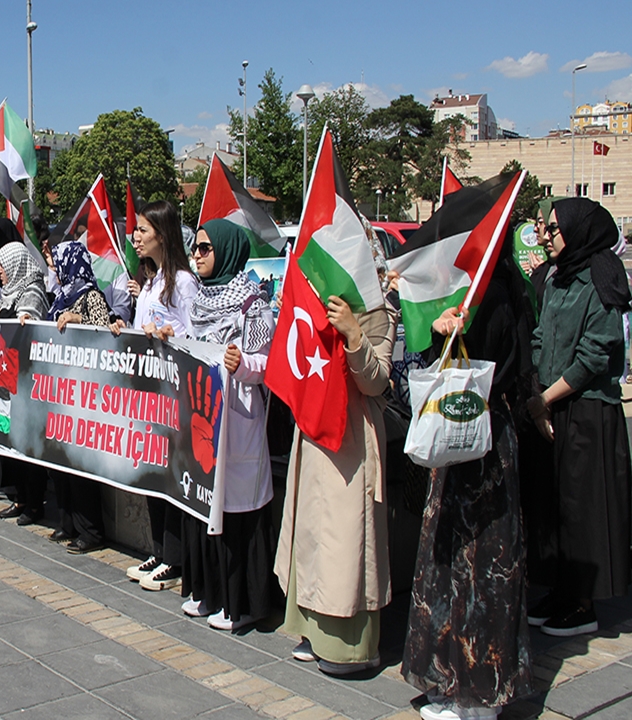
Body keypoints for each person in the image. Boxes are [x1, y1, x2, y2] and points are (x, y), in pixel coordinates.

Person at [402, 254, 534, 720]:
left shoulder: (491, 291)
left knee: (480, 570)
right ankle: (451, 682)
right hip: (469, 440)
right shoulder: (490, 285)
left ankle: (478, 695)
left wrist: (450, 333)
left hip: (481, 443)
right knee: (451, 566)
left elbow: (489, 361)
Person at [275, 267, 397, 676]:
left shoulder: (378, 307)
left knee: (345, 539)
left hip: (351, 438)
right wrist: (293, 315)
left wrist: (353, 334)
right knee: (311, 531)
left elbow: (377, 381)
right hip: (314, 429)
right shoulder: (317, 295)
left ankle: (351, 646)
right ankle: (310, 629)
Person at [527, 197, 630, 637]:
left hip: (586, 410)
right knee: (554, 505)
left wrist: (545, 399)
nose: (546, 236)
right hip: (552, 406)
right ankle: (561, 589)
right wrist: (539, 396)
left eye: (554, 228)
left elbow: (595, 353)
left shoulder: (601, 277)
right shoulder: (558, 276)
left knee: (583, 507)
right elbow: (539, 337)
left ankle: (583, 603)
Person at [178, 220, 278, 632]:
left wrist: (244, 364)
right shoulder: (198, 299)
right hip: (203, 416)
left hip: (238, 419)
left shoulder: (252, 303)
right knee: (205, 503)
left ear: (227, 250)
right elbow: (189, 343)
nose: (197, 255)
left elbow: (267, 362)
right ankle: (211, 592)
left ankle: (243, 604)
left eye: (205, 248)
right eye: (196, 248)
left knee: (236, 510)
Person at [114, 200, 198, 593]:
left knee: (170, 478)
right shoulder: (149, 282)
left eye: (143, 231)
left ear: (162, 235)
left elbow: (199, 336)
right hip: (147, 394)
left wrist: (171, 336)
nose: (136, 237)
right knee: (152, 475)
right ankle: (159, 549)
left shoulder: (183, 282)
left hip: (173, 396)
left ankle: (174, 558)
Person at [48, 238, 115, 554]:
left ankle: (90, 531)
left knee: (80, 466)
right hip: (61, 391)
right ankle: (68, 522)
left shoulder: (91, 296)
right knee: (60, 463)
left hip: (85, 395)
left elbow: (105, 331)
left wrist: (80, 320)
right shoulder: (61, 296)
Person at [0, 241, 51, 526]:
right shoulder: (11, 291)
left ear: (15, 264)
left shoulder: (33, 290)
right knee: (8, 440)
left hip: (25, 381)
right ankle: (20, 497)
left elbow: (26, 325)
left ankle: (35, 503)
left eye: (2, 266)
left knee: (26, 442)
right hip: (5, 378)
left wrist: (1, 314)